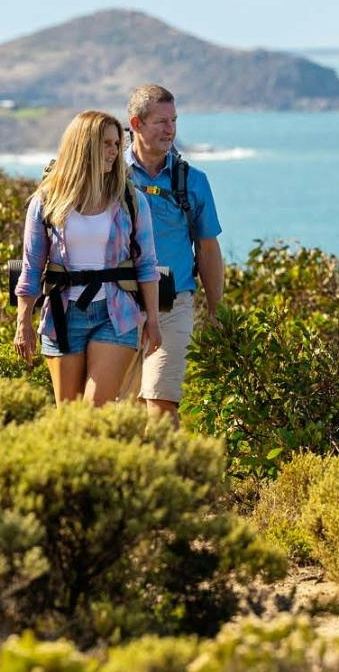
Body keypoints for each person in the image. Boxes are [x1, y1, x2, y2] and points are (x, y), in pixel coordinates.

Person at [13, 110, 162, 404]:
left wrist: (153, 322)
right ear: (84, 146)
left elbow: (146, 265)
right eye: (107, 144)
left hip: (116, 314)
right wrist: (23, 323)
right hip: (62, 315)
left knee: (95, 411)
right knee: (69, 415)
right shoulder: (47, 199)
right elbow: (32, 267)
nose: (115, 152)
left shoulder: (130, 200)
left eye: (117, 144)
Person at [126, 84, 224, 423]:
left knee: (161, 402)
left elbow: (208, 247)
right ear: (136, 124)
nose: (171, 130)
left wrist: (215, 309)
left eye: (174, 121)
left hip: (173, 302)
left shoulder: (193, 181)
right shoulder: (109, 176)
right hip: (119, 302)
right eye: (161, 122)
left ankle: (171, 471)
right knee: (125, 410)